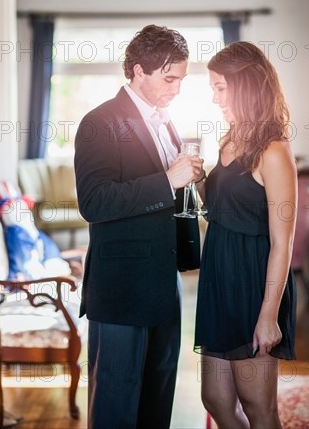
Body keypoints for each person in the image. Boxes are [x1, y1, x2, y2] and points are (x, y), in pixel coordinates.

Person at [74, 24, 203, 429]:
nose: (176, 89)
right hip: (121, 290)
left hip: (166, 286)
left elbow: (168, 194)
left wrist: (190, 183)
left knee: (157, 400)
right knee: (116, 403)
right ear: (137, 71)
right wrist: (168, 180)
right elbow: (94, 203)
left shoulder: (166, 121)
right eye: (169, 79)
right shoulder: (99, 122)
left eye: (181, 79)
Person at [194, 41, 297, 429]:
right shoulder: (228, 139)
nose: (215, 97)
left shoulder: (274, 151)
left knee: (258, 404)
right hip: (218, 276)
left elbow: (282, 242)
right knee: (216, 398)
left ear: (246, 86)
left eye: (220, 87)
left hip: (254, 283)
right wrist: (199, 178)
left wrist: (268, 314)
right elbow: (222, 207)